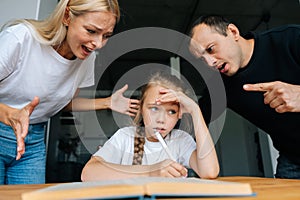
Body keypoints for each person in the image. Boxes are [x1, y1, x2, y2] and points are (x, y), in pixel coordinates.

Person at [0, 0, 139, 185]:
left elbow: (64, 102)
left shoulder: (85, 59)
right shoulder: (21, 37)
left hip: (32, 142)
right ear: (67, 16)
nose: (98, 44)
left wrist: (107, 102)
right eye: (91, 31)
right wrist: (9, 114)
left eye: (106, 35)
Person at [189, 14, 300, 179]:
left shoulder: (290, 38)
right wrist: (143, 112)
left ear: (233, 32)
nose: (210, 63)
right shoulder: (219, 86)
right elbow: (189, 118)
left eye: (211, 49)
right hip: (293, 159)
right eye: (202, 60)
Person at [81, 71, 219, 181]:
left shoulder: (180, 140)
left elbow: (209, 172)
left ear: (180, 114)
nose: (161, 120)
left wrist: (195, 110)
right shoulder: (126, 137)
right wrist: (151, 172)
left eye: (171, 111)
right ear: (141, 108)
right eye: (154, 109)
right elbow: (88, 173)